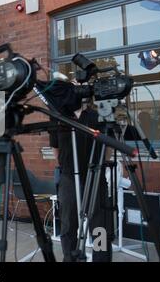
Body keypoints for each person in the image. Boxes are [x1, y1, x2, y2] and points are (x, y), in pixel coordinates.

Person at [50, 101, 113, 262]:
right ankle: (70, 259)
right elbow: (55, 147)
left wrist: (100, 167)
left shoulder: (98, 116)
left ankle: (101, 259)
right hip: (69, 178)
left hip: (95, 177)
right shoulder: (59, 117)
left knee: (100, 227)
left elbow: (108, 148)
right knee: (68, 226)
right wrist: (66, 167)